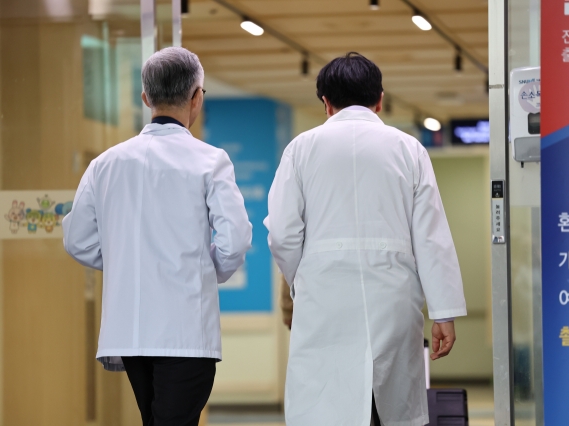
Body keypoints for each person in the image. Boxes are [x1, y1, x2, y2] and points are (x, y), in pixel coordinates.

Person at [264, 52, 467, 426]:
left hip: (323, 299)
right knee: (391, 406)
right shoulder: (409, 150)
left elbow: (281, 233)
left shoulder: (301, 149)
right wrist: (444, 312)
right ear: (380, 99)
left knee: (325, 406)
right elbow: (431, 235)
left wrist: (304, 277)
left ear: (325, 103)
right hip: (393, 296)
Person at [63, 47, 252, 426]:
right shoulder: (209, 160)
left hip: (130, 331)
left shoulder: (106, 164)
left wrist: (126, 261)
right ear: (197, 97)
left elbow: (77, 240)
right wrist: (203, 270)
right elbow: (236, 240)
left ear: (146, 97)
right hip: (185, 331)